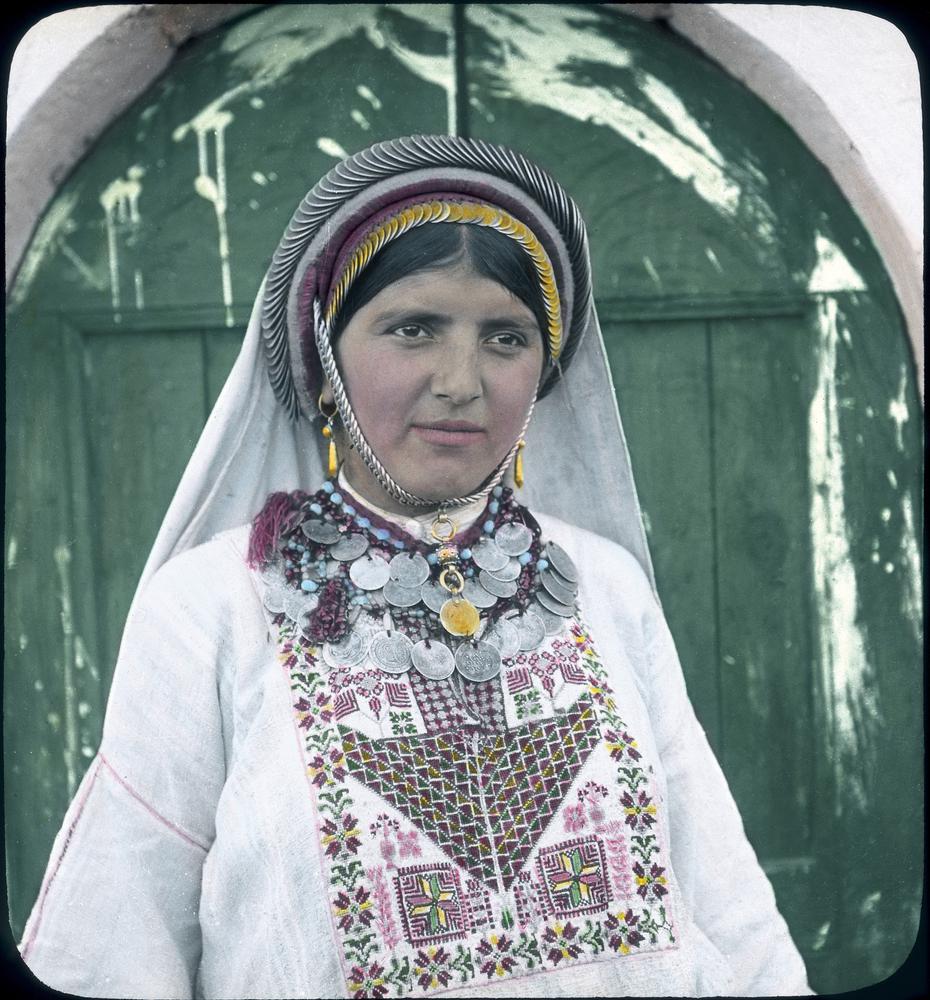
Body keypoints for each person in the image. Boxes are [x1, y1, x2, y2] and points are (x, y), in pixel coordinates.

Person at [19, 135, 811, 998]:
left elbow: (729, 911)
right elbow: (119, 939)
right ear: (325, 365)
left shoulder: (602, 585)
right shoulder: (210, 608)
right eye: (414, 329)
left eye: (505, 337)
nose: (461, 380)